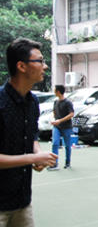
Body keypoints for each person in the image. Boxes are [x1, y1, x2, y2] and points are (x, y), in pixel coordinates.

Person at [0, 38, 58, 226]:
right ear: (21, 66)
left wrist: (38, 153)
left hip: (22, 201)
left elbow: (31, 136)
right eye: (40, 61)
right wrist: (33, 158)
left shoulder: (33, 101)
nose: (45, 66)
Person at [48, 84, 74, 170]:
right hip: (57, 127)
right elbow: (54, 112)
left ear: (58, 92)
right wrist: (52, 119)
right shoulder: (56, 102)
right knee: (55, 143)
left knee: (67, 145)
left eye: (55, 90)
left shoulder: (67, 102)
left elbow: (71, 114)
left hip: (66, 127)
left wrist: (60, 120)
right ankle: (54, 163)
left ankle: (68, 162)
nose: (54, 92)